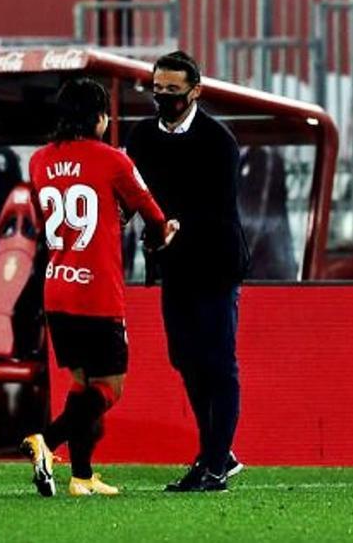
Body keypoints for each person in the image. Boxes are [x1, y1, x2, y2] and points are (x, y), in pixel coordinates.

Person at [21, 78, 177, 498]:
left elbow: (53, 219)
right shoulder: (113, 160)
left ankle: (82, 476)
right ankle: (47, 441)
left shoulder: (39, 162)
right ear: (98, 116)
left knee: (81, 382)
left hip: (57, 287)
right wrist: (166, 232)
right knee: (111, 387)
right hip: (97, 292)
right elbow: (152, 213)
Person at [126, 51, 250, 492]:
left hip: (215, 261)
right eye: (157, 90)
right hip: (172, 262)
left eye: (172, 91)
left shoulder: (218, 141)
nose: (163, 98)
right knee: (186, 359)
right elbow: (132, 193)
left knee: (218, 362)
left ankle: (214, 464)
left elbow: (220, 208)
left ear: (195, 91)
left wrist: (174, 227)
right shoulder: (140, 138)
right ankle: (218, 452)